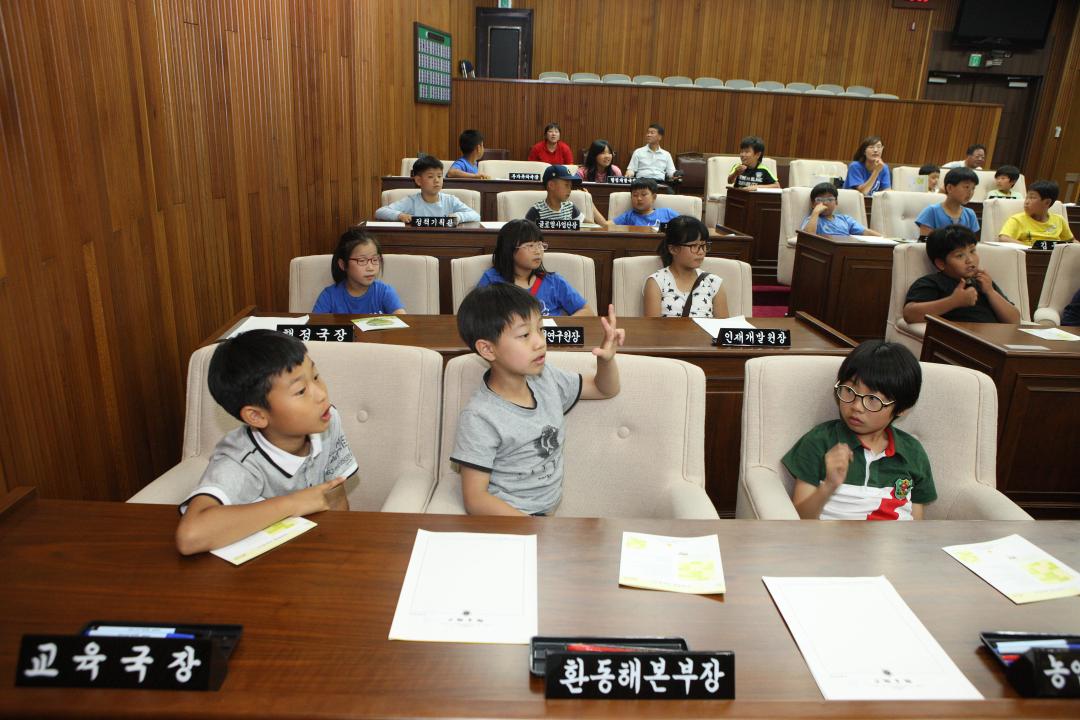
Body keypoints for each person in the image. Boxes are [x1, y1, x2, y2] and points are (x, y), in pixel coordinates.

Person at [175, 330, 357, 554]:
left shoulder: (328, 421)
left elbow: (336, 497)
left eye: (316, 376)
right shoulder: (241, 460)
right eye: (301, 390)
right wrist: (294, 503)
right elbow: (190, 536)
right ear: (257, 416)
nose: (321, 394)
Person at [450, 283, 624, 516]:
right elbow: (476, 499)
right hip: (511, 522)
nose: (540, 342)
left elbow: (605, 389)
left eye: (540, 329)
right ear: (488, 349)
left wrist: (606, 360)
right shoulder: (480, 417)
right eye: (524, 334)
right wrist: (532, 528)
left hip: (545, 519)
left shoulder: (546, 378)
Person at [783, 340, 936, 521]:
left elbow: (916, 524)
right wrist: (829, 486)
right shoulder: (819, 441)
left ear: (902, 408)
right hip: (831, 544)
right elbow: (799, 519)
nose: (856, 406)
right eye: (849, 391)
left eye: (872, 399)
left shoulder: (913, 452)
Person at [903, 225, 1020, 325]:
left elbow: (1015, 321)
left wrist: (990, 292)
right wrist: (953, 301)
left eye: (973, 251)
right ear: (941, 264)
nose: (970, 260)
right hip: (962, 342)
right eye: (960, 256)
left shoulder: (983, 282)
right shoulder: (932, 282)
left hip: (996, 339)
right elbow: (909, 314)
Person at [475, 219, 594, 317]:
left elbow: (587, 312)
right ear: (509, 249)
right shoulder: (492, 280)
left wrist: (559, 327)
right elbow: (476, 316)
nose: (538, 251)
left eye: (540, 245)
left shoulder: (554, 282)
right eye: (530, 245)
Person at [643, 215, 730, 318]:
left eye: (703, 245)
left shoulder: (713, 282)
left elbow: (724, 328)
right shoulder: (657, 283)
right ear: (673, 249)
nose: (701, 252)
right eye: (694, 246)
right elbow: (652, 329)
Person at [312, 227, 406, 314]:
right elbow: (315, 328)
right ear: (343, 264)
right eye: (362, 261)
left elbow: (403, 323)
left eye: (375, 260)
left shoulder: (384, 292)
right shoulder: (329, 296)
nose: (370, 268)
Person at [374, 156, 480, 223]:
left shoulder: (450, 200)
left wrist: (458, 217)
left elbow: (476, 215)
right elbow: (380, 212)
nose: (437, 180)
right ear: (418, 180)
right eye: (430, 177)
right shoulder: (411, 201)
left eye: (439, 176)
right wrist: (399, 215)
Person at [998, 180, 1075, 246]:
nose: (1026, 202)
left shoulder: (1059, 220)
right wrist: (1029, 247)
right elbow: (1004, 238)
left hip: (1054, 258)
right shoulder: (1017, 219)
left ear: (1047, 202)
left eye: (1032, 198)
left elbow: (1072, 241)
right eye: (1027, 197)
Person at [915, 167, 980, 238]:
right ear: (949, 188)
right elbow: (925, 244)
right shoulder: (931, 211)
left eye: (973, 188)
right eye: (966, 187)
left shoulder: (970, 214)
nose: (970, 192)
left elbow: (972, 244)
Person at [801, 182, 881, 236]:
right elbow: (808, 237)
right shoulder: (812, 220)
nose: (825, 203)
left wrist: (882, 238)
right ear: (813, 204)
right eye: (820, 200)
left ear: (836, 202)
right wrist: (815, 213)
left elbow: (865, 232)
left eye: (829, 199)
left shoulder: (845, 219)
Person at [612, 178, 680, 226]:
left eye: (644, 194)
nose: (639, 198)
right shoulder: (628, 216)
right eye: (635, 195)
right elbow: (607, 226)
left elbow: (686, 227)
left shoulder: (667, 213)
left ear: (654, 197)